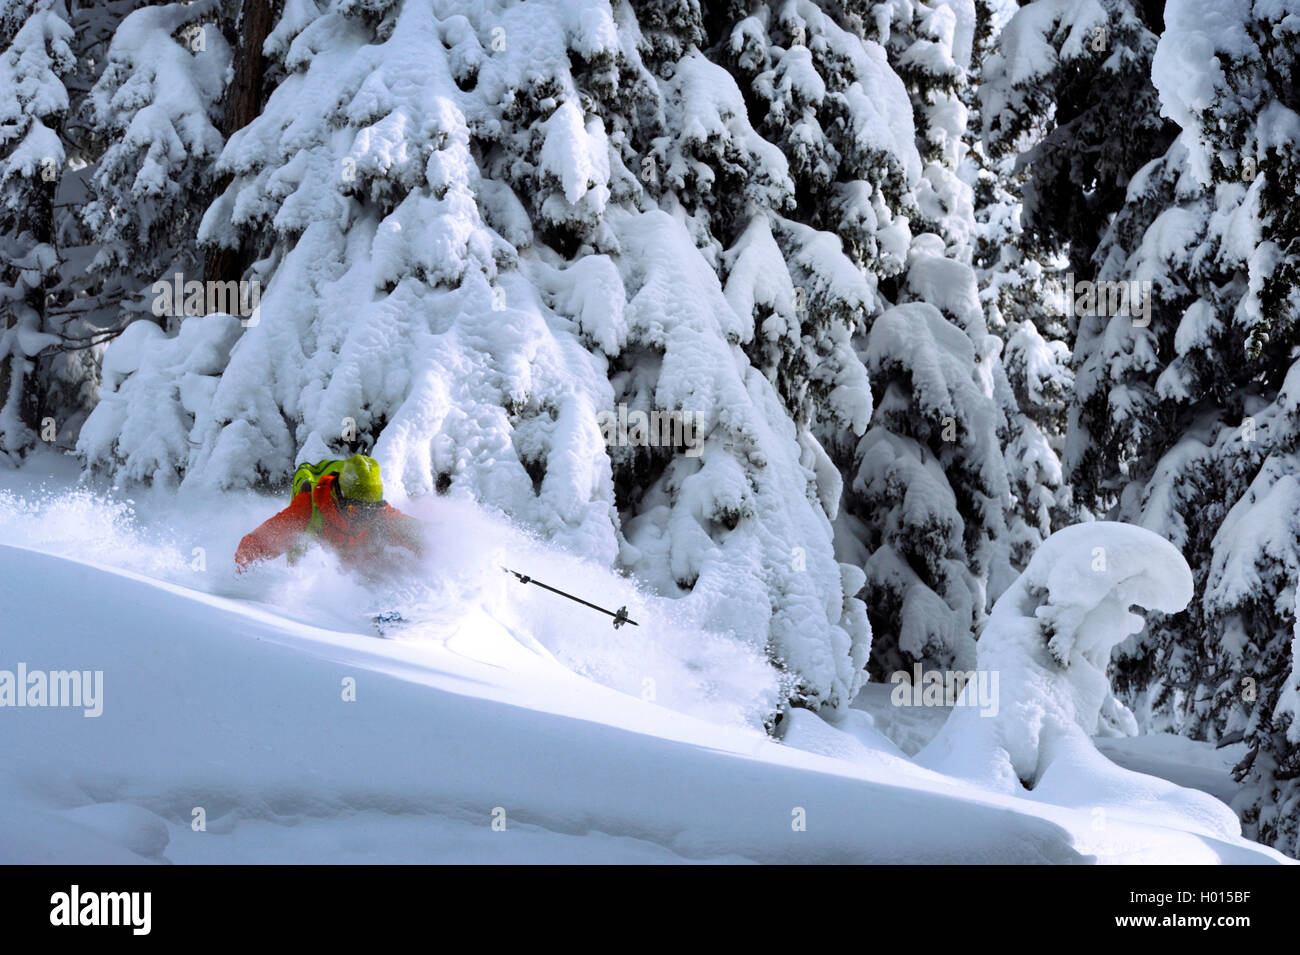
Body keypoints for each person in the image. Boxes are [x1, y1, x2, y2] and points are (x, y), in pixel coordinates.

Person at [235, 454, 424, 574]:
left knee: (394, 561)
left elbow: (413, 531)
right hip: (313, 587)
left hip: (357, 575)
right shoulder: (307, 508)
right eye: (355, 510)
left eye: (370, 509)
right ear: (338, 497)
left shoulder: (378, 514)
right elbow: (258, 543)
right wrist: (245, 572)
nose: (363, 518)